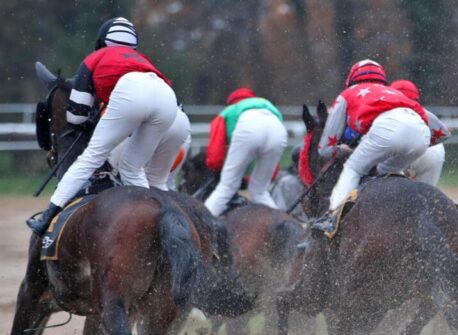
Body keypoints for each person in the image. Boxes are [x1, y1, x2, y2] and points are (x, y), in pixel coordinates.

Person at [27, 17, 179, 235]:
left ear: (100, 43)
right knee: (133, 167)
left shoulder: (94, 58)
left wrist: (88, 121)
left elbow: (76, 115)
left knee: (91, 158)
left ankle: (47, 217)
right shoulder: (140, 58)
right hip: (167, 98)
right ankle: (156, 224)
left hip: (133, 92)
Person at [318, 59, 448, 211]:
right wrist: (416, 144)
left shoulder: (347, 94)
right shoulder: (396, 94)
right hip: (421, 137)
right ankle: (410, 210)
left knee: (353, 168)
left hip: (386, 133)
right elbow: (443, 133)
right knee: (385, 174)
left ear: (351, 80)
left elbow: (324, 150)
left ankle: (333, 217)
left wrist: (343, 150)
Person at [203, 87, 287, 216]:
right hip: (278, 129)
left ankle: (201, 225)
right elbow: (273, 171)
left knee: (226, 188)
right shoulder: (267, 106)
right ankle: (284, 230)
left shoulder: (228, 111)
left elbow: (215, 156)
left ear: (231, 102)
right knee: (260, 192)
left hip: (249, 126)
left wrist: (217, 169)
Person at [390, 79, 448, 187]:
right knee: (425, 197)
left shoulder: (386, 110)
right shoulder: (423, 112)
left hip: (395, 151)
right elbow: (444, 133)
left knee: (389, 194)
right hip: (431, 151)